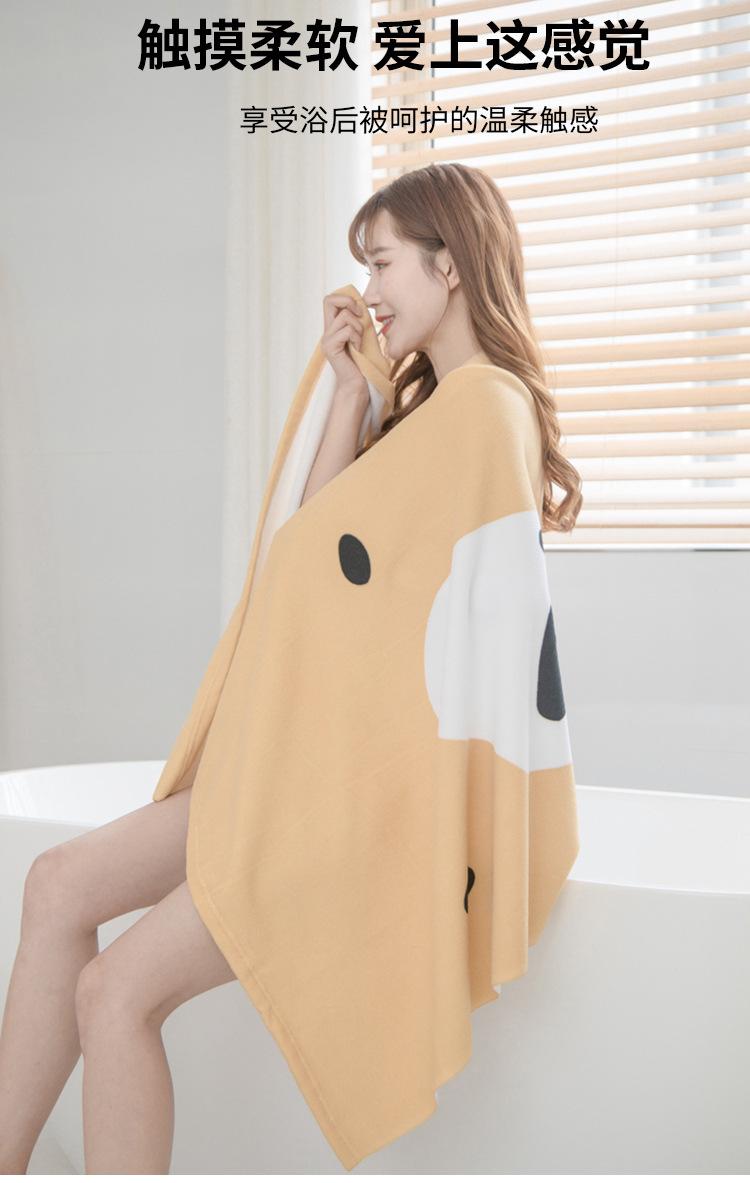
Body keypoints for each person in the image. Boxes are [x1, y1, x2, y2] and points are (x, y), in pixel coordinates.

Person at [0, 162, 581, 1174]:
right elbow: (323, 555)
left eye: (384, 263)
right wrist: (351, 391)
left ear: (449, 264)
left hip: (347, 798)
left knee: (115, 992)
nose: (370, 289)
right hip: (303, 773)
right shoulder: (445, 412)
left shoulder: (483, 411)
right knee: (56, 885)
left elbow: (360, 602)